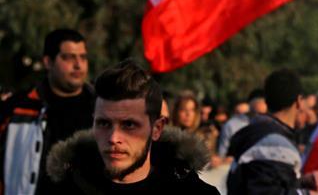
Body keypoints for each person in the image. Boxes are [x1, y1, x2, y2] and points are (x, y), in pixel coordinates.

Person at [44, 59, 218, 194]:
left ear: (156, 128)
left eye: (129, 125)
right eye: (104, 123)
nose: (113, 138)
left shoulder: (193, 192)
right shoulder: (65, 189)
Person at [0, 28, 94, 195]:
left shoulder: (102, 108)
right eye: (68, 57)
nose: (78, 65)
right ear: (48, 62)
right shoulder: (18, 107)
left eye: (83, 57)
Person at [226, 69, 318, 195]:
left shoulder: (260, 131)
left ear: (266, 100)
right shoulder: (274, 143)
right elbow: (265, 191)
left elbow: (270, 180)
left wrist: (301, 182)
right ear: (298, 101)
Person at [217, 88, 266, 159]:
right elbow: (222, 155)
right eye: (255, 113)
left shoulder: (273, 125)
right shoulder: (231, 125)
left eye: (263, 114)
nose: (259, 118)